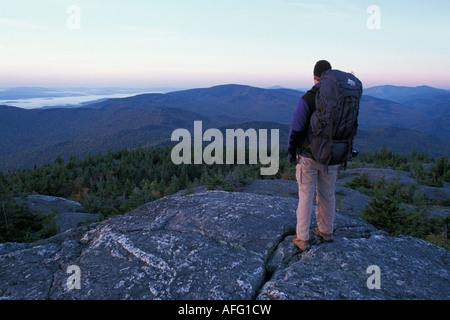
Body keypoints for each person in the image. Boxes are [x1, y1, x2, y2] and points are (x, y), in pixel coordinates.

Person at [287, 60, 339, 251]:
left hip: (309, 156)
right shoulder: (339, 97)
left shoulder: (308, 98)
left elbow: (297, 127)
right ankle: (326, 231)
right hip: (332, 156)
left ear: (314, 76)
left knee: (306, 195)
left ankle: (302, 238)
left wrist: (291, 151)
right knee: (327, 194)